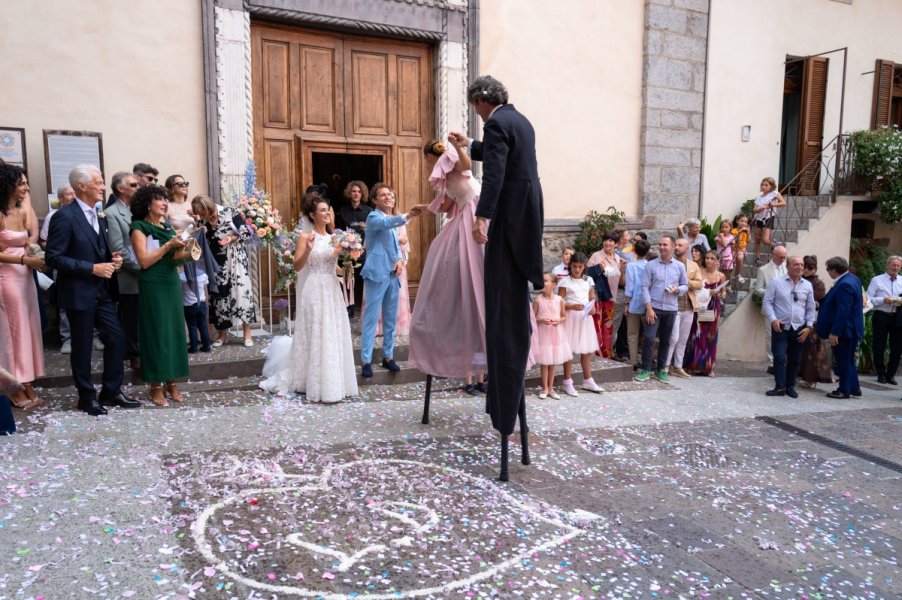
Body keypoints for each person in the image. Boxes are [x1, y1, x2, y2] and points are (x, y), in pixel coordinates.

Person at [449, 75, 545, 455]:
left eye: (475, 105)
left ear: (483, 100)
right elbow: (495, 152)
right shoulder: (518, 120)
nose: (475, 111)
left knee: (504, 306)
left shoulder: (498, 122)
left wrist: (482, 216)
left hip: (509, 219)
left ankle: (504, 407)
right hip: (526, 213)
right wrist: (467, 145)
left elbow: (497, 173)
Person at [45, 165, 139, 415]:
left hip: (102, 291)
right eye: (98, 182)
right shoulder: (63, 217)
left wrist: (113, 259)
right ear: (81, 186)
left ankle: (111, 391)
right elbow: (53, 257)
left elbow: (98, 249)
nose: (102, 186)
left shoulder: (100, 216)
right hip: (78, 292)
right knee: (83, 346)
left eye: (102, 182)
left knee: (117, 337)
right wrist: (92, 268)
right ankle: (86, 397)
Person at [260, 197, 357, 402]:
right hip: (314, 288)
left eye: (328, 210)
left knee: (331, 331)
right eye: (322, 210)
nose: (327, 213)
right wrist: (310, 249)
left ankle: (332, 380)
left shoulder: (335, 237)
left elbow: (334, 266)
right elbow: (297, 265)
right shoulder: (305, 236)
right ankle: (309, 380)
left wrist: (347, 267)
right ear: (313, 215)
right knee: (315, 331)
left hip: (332, 288)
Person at [408, 140, 487, 387]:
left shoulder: (450, 158)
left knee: (469, 252)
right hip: (465, 210)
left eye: (426, 159)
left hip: (476, 211)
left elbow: (466, 164)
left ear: (429, 156)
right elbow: (446, 204)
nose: (427, 164)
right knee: (444, 252)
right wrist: (422, 207)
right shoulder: (443, 177)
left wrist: (458, 146)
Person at [130, 185, 191, 406]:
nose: (165, 203)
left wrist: (184, 246)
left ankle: (172, 382)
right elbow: (144, 261)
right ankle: (155, 386)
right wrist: (168, 245)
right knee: (156, 333)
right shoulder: (138, 227)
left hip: (170, 281)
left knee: (174, 332)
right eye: (160, 199)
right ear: (147, 204)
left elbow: (172, 256)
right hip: (153, 284)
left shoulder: (165, 225)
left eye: (166, 199)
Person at [359, 184, 422, 377]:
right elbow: (388, 224)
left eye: (390, 194)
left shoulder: (392, 223)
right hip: (376, 274)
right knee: (371, 319)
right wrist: (408, 215)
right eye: (383, 195)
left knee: (390, 318)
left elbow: (395, 248)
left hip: (393, 276)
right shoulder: (374, 217)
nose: (388, 197)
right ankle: (366, 361)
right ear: (374, 200)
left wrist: (400, 261)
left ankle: (388, 356)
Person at [0, 164, 46, 409]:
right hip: (7, 277)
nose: (26, 188)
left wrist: (34, 253)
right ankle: (13, 386)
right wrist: (23, 259)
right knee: (14, 332)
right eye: (22, 183)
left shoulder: (18, 211)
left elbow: (27, 239)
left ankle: (27, 380)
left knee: (29, 328)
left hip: (26, 275)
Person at [192, 196, 256, 347]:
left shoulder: (230, 212)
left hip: (235, 259)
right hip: (215, 262)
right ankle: (222, 334)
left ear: (209, 208)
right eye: (199, 214)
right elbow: (203, 241)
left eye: (203, 213)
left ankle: (247, 333)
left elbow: (247, 233)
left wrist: (231, 237)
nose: (201, 217)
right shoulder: (202, 221)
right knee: (219, 296)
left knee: (241, 293)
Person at [635, 235, 688, 383]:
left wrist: (677, 290)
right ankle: (645, 369)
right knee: (649, 337)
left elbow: (685, 285)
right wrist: (649, 307)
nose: (662, 247)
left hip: (671, 308)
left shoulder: (679, 266)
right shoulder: (650, 265)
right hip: (654, 307)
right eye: (660, 244)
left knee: (666, 340)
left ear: (672, 247)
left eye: (665, 244)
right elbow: (644, 286)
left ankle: (661, 370)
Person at [762, 256, 815, 397]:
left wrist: (809, 327)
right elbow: (767, 302)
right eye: (796, 264)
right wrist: (773, 319)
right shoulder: (776, 282)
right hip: (781, 327)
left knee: (795, 359)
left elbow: (810, 308)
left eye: (801, 264)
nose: (799, 267)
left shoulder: (807, 285)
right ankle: (780, 387)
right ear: (788, 266)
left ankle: (790, 386)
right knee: (779, 357)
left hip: (799, 328)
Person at [105, 171, 142, 370]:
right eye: (133, 185)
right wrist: (142, 267)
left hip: (145, 274)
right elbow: (118, 249)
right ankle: (133, 355)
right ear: (120, 188)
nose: (138, 187)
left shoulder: (137, 210)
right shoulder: (112, 213)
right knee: (131, 319)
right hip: (129, 277)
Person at [817, 257, 864, 399]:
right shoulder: (853, 278)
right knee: (849, 359)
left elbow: (843, 311)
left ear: (834, 270)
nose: (828, 272)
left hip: (845, 331)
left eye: (828, 270)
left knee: (843, 360)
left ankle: (844, 390)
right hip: (851, 328)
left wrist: (835, 332)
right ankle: (854, 387)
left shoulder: (845, 284)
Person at [559, 252, 603, 396]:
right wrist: (570, 306)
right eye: (574, 266)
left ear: (584, 267)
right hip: (571, 318)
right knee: (569, 351)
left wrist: (592, 308)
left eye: (580, 267)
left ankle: (588, 379)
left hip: (584, 319)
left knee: (586, 351)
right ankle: (567, 381)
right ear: (570, 266)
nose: (577, 269)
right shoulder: (565, 282)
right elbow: (559, 302)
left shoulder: (588, 280)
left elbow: (591, 298)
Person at [664, 238, 703, 378]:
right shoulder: (669, 263)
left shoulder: (693, 265)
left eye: (680, 245)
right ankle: (665, 365)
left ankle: (678, 366)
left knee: (683, 339)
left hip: (688, 306)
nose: (677, 247)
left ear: (687, 248)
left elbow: (700, 284)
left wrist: (685, 282)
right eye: (676, 245)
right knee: (672, 338)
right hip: (673, 305)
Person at [685, 250, 727, 377]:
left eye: (712, 258)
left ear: (717, 261)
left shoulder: (720, 276)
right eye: (707, 258)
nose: (708, 260)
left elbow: (724, 292)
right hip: (701, 305)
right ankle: (694, 365)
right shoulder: (700, 272)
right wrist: (708, 291)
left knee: (710, 337)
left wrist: (721, 293)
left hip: (713, 307)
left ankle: (709, 367)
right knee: (697, 335)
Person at [588, 232, 625, 358]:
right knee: (596, 326)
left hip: (611, 298)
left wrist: (623, 268)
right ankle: (595, 355)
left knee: (608, 327)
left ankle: (606, 355)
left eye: (611, 241)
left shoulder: (618, 258)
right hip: (597, 298)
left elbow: (620, 281)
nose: (608, 243)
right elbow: (586, 277)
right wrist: (599, 269)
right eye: (605, 240)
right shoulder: (596, 256)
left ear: (616, 243)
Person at [337, 180, 372, 317]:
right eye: (353, 191)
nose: (356, 194)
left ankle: (365, 308)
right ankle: (349, 307)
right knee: (347, 279)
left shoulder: (369, 211)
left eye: (359, 191)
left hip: (364, 252)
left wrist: (367, 228)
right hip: (347, 252)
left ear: (362, 193)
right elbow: (338, 231)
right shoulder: (342, 210)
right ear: (349, 193)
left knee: (364, 280)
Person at [798, 255, 833, 389]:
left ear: (815, 269)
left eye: (810, 268)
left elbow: (819, 303)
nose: (806, 270)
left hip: (812, 320)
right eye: (805, 267)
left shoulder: (818, 283)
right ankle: (797, 374)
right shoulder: (798, 280)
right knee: (798, 349)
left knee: (811, 351)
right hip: (797, 319)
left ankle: (810, 378)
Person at [866, 255, 902, 385]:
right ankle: (880, 373)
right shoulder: (876, 280)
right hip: (881, 315)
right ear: (888, 265)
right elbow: (868, 299)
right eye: (893, 265)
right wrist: (883, 300)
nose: (896, 268)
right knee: (879, 345)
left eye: (898, 266)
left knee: (897, 348)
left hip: (897, 317)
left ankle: (891, 375)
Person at [752, 245, 788, 373]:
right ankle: (772, 362)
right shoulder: (763, 270)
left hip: (785, 307)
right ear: (774, 255)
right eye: (781, 257)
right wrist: (771, 292)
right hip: (770, 307)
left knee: (786, 334)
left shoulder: (786, 268)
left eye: (785, 257)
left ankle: (783, 359)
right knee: (770, 335)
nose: (783, 260)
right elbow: (757, 290)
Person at [533, 273, 569, 399]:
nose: (542, 282)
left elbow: (564, 316)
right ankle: (545, 388)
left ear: (553, 285)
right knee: (544, 362)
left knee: (553, 361)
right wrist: (541, 320)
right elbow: (532, 318)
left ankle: (551, 388)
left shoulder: (559, 300)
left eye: (546, 281)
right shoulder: (538, 300)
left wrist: (558, 321)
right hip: (543, 334)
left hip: (555, 333)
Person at [623, 238, 651, 369]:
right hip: (648, 303)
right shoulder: (650, 265)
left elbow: (630, 287)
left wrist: (626, 303)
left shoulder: (631, 266)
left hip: (634, 303)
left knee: (632, 334)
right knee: (648, 334)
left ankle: (634, 361)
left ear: (634, 250)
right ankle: (647, 360)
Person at [752, 176, 786, 262]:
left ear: (771, 186)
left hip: (768, 217)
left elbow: (783, 203)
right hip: (758, 219)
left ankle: (776, 246)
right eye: (762, 184)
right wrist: (758, 209)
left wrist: (774, 205)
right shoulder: (758, 198)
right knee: (757, 240)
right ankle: (757, 258)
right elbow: (754, 210)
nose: (763, 186)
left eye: (766, 185)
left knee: (765, 240)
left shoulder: (774, 193)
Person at [731, 214, 751, 285]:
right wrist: (739, 232)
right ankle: (730, 276)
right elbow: (736, 242)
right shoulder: (734, 231)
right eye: (742, 221)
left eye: (745, 222)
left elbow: (748, 241)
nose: (743, 223)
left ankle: (738, 274)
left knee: (740, 258)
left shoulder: (746, 231)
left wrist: (748, 233)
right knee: (732, 262)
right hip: (734, 249)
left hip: (742, 249)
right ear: (737, 221)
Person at [714, 219, 735, 283]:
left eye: (726, 227)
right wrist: (722, 236)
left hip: (728, 257)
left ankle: (730, 285)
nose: (724, 229)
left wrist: (733, 244)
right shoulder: (718, 238)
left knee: (729, 271)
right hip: (720, 257)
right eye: (722, 227)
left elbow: (733, 248)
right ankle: (720, 285)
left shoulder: (732, 237)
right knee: (721, 272)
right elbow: (724, 245)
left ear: (730, 228)